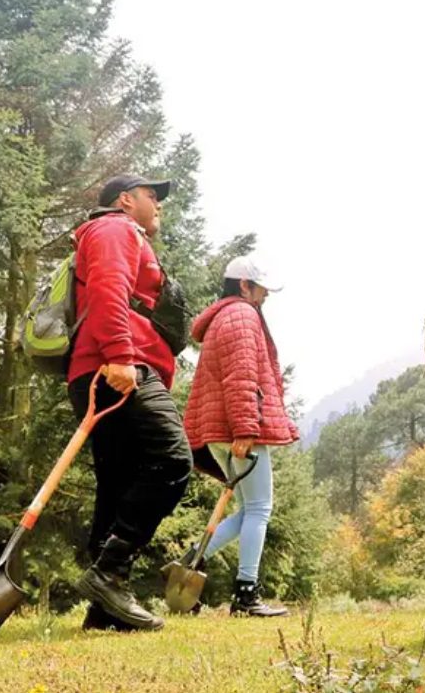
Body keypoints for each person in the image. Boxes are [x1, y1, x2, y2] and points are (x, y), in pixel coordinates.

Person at [68, 173, 193, 632]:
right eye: (151, 195)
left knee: (118, 485)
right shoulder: (115, 228)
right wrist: (121, 356)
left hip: (100, 370)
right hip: (117, 368)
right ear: (125, 200)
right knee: (172, 459)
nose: (158, 204)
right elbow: (107, 289)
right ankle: (109, 572)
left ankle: (105, 610)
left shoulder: (113, 233)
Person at [182, 255, 298, 616]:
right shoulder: (242, 316)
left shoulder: (224, 317)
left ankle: (191, 559)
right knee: (260, 508)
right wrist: (247, 428)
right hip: (238, 428)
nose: (266, 295)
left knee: (249, 509)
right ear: (244, 286)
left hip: (223, 428)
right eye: (261, 287)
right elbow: (241, 375)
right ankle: (246, 595)